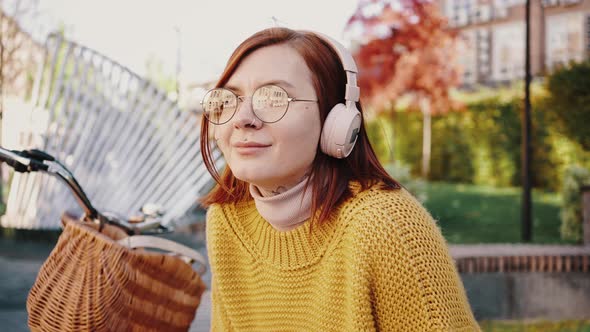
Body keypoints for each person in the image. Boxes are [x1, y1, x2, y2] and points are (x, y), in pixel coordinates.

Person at [199, 27, 480, 331]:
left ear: (338, 120)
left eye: (273, 98)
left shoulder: (387, 226)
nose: (242, 118)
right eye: (231, 99)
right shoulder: (227, 220)